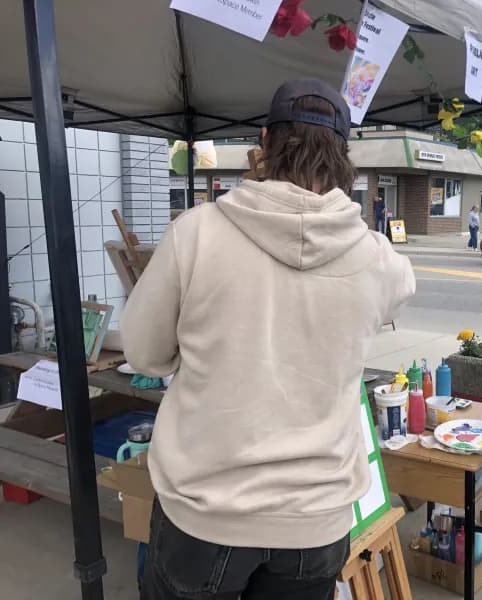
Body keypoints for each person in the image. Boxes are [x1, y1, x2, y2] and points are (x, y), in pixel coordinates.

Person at [121, 78, 416, 600]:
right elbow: (393, 296)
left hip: (206, 509)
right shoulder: (380, 259)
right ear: (345, 155)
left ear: (264, 141)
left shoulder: (194, 233)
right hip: (315, 518)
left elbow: (144, 353)